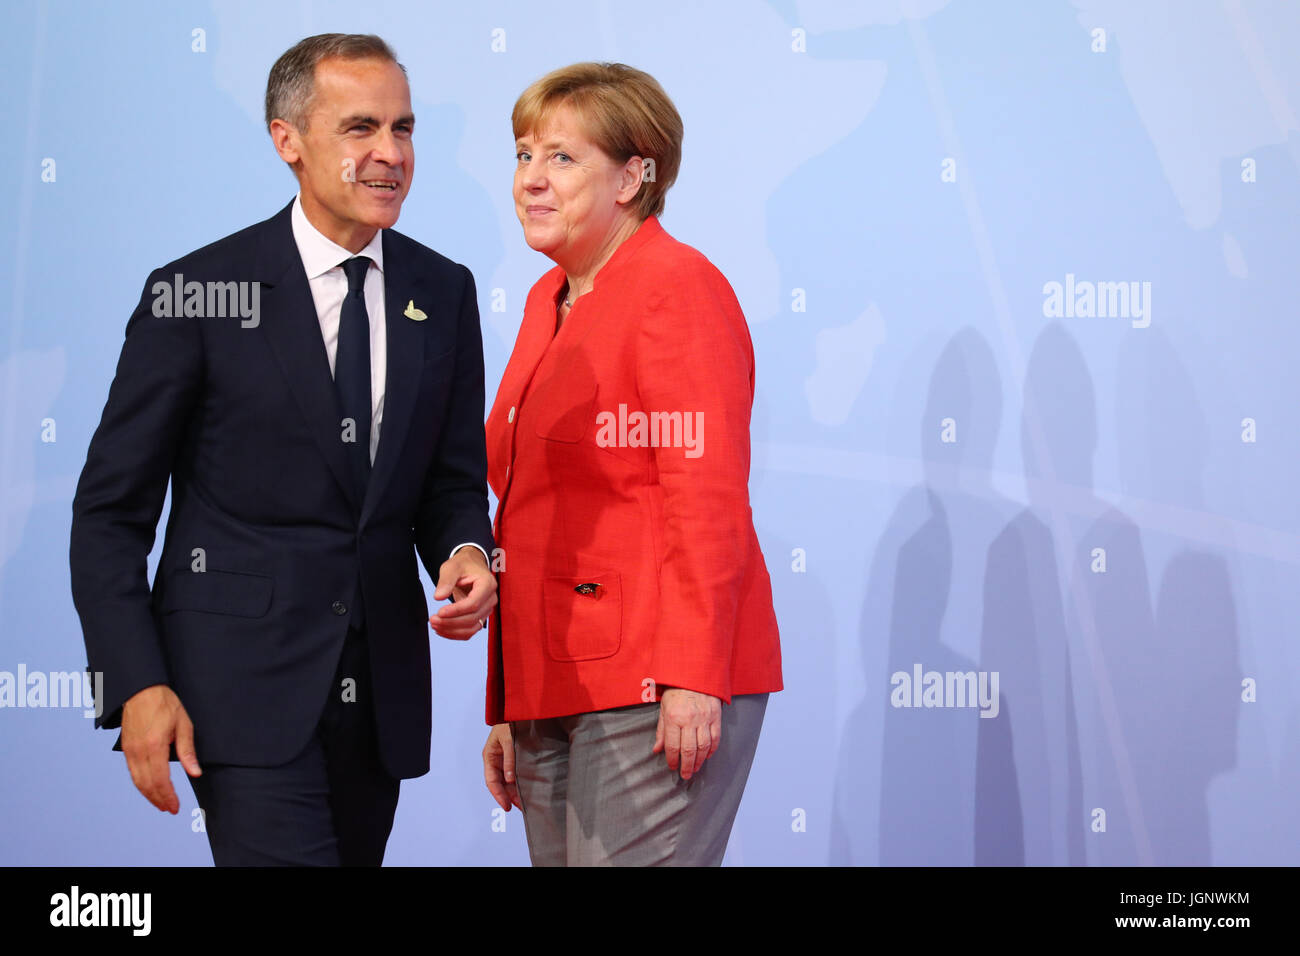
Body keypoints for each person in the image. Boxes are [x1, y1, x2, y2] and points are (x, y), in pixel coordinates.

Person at [69, 33, 497, 866]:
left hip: (380, 702)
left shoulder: (442, 291)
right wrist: (133, 685)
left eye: (404, 129)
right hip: (236, 693)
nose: (390, 154)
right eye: (361, 128)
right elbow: (108, 513)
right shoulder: (195, 292)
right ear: (287, 140)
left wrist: (466, 549)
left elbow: (448, 482)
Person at [472, 62, 782, 866]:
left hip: (655, 680)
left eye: (562, 159)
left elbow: (705, 497)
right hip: (556, 685)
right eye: (522, 155)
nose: (531, 180)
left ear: (635, 176)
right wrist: (510, 701)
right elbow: (529, 510)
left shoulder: (676, 287)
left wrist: (692, 674)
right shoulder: (548, 302)